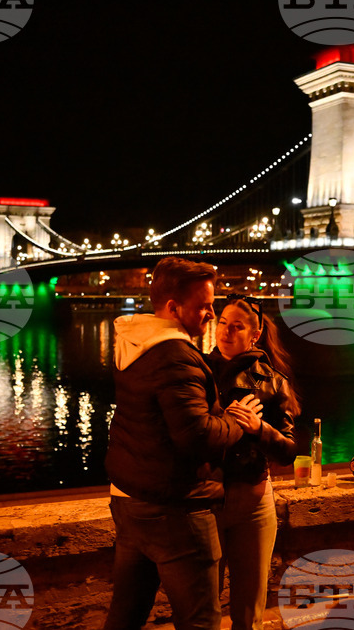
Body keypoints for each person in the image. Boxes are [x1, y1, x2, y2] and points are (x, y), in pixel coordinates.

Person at [103, 257, 249, 630]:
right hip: (177, 510)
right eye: (203, 306)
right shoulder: (175, 357)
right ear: (173, 307)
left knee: (125, 617)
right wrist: (236, 422)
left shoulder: (133, 345)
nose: (211, 315)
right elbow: (197, 436)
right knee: (200, 620)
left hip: (129, 500)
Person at [206, 294, 300, 630]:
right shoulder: (198, 371)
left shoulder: (274, 381)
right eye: (222, 323)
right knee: (204, 608)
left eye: (237, 326)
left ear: (254, 335)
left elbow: (288, 451)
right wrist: (224, 419)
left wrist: (260, 428)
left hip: (254, 502)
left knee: (249, 613)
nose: (226, 332)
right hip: (207, 501)